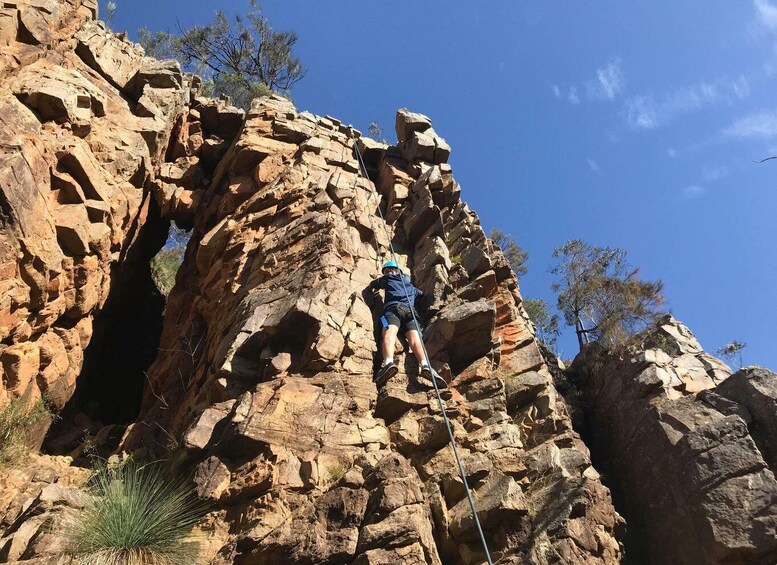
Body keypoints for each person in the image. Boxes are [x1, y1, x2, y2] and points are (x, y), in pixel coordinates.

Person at [368, 260, 445, 389]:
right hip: (411, 313)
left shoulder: (388, 279)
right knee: (415, 340)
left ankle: (388, 362)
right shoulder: (411, 287)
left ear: (393, 271)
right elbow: (421, 295)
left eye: (388, 271)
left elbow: (373, 284)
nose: (389, 273)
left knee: (389, 334)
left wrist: (376, 288)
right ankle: (426, 365)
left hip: (393, 310)